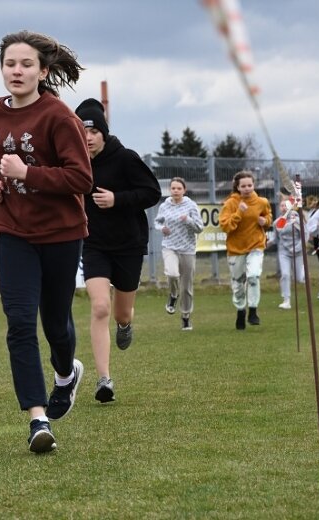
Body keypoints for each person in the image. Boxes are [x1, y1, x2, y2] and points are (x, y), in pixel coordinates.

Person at [0, 30, 93, 453]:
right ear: (2, 69)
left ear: (43, 71)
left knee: (55, 323)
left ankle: (66, 373)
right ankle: (38, 419)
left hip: (61, 234)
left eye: (26, 64)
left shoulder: (58, 117)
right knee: (20, 323)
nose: (17, 71)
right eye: (11, 64)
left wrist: (26, 174)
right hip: (13, 233)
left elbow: (82, 179)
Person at [75, 98, 162, 404]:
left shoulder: (125, 158)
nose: (87, 137)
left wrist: (117, 199)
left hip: (128, 244)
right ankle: (104, 380)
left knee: (121, 312)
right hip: (93, 244)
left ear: (103, 133)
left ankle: (125, 324)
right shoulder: (73, 162)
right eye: (82, 131)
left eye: (93, 131)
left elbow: (152, 192)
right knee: (100, 307)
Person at [219, 170, 272, 330]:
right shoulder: (230, 203)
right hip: (236, 249)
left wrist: (266, 221)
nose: (247, 188)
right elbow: (225, 226)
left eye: (250, 185)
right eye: (244, 186)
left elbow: (268, 217)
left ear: (254, 185)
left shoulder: (262, 202)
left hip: (256, 246)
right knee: (238, 284)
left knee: (254, 276)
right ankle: (241, 310)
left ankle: (253, 311)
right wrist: (239, 212)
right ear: (238, 187)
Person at [154, 177, 203, 330]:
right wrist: (161, 228)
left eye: (178, 188)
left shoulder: (191, 205)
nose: (175, 191)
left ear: (184, 190)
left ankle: (186, 317)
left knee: (186, 287)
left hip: (187, 249)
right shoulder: (165, 205)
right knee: (172, 274)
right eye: (173, 188)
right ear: (170, 190)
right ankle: (173, 296)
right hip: (169, 246)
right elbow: (158, 221)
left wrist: (188, 220)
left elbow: (199, 227)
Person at [275, 198, 306, 309]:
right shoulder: (277, 222)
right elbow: (276, 238)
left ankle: (302, 271)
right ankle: (286, 300)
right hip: (284, 251)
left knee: (299, 278)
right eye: (281, 206)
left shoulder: (296, 220)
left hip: (297, 252)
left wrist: (297, 247)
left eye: (285, 205)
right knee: (285, 274)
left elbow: (304, 235)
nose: (283, 208)